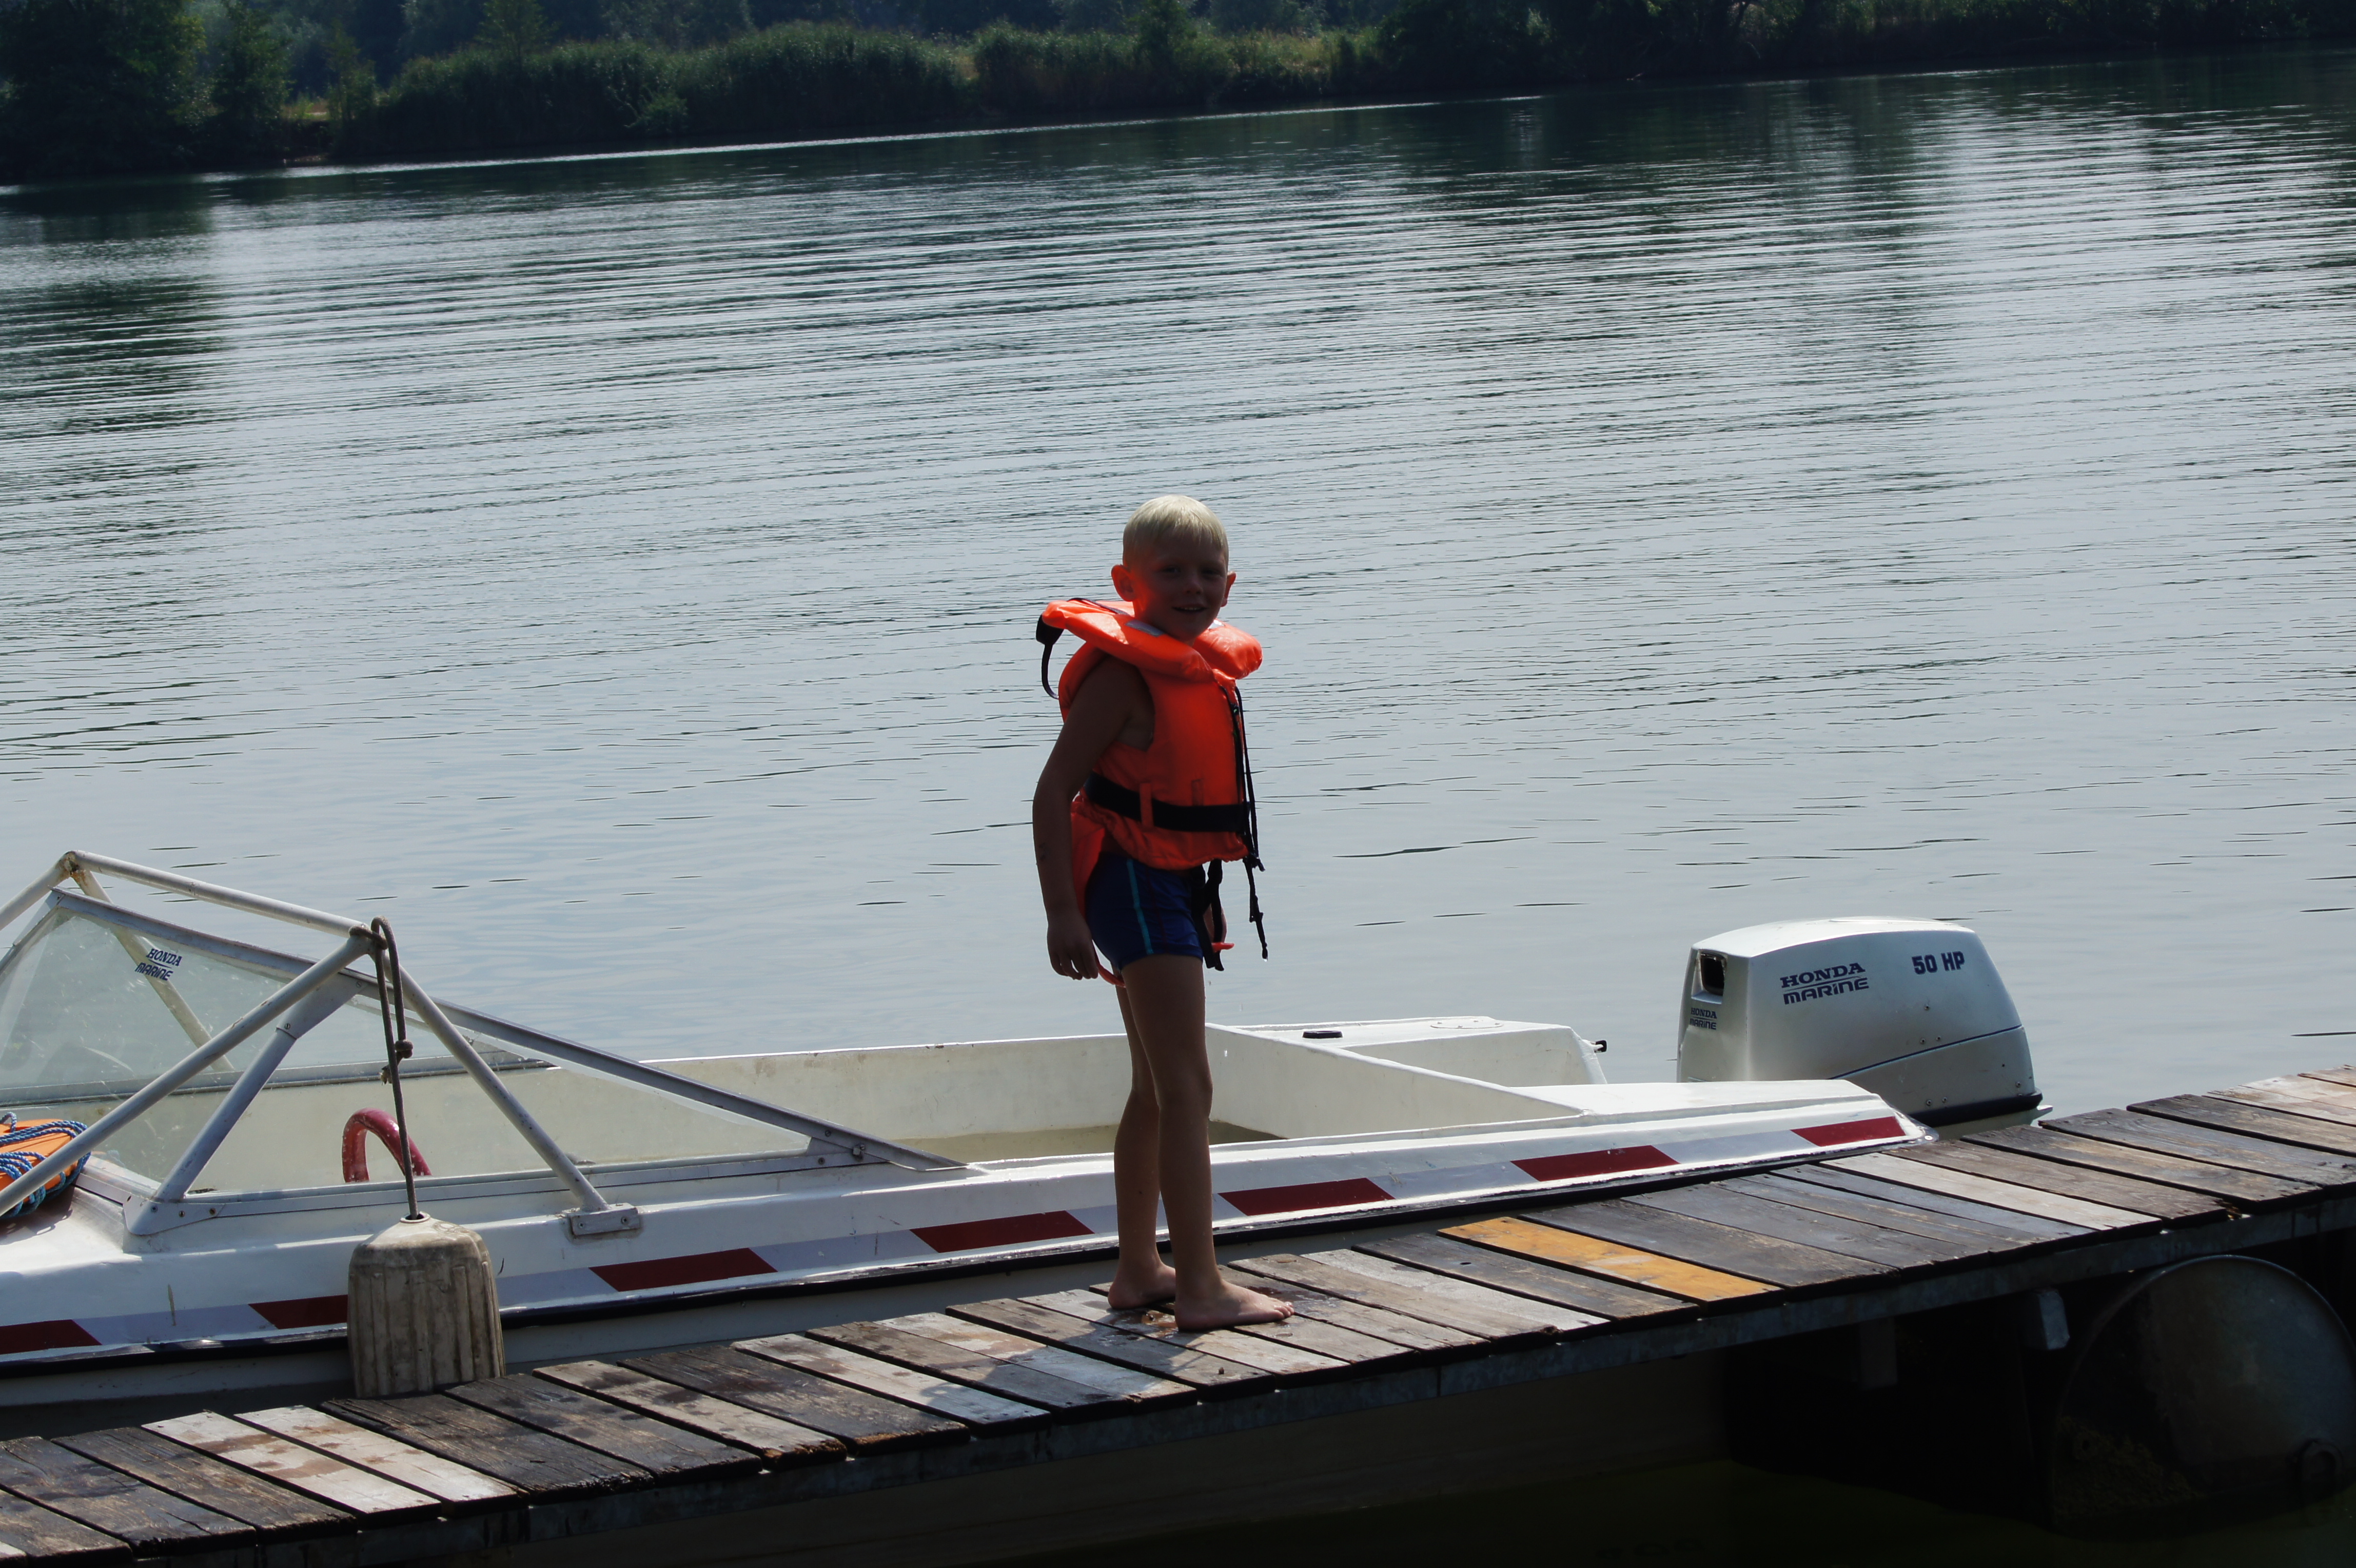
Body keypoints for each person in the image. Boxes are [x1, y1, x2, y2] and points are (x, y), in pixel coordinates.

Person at [1031, 495, 1294, 1332]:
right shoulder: (1122, 678)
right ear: (1127, 584)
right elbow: (1051, 792)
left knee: (1155, 1086)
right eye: (1170, 572)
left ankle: (1139, 1270)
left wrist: (1189, 894)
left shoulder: (1196, 666)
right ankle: (1202, 1288)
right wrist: (1062, 915)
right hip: (1131, 884)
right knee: (1189, 1086)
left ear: (1231, 583)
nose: (1193, 587)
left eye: (1208, 573)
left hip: (1169, 881)